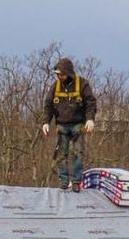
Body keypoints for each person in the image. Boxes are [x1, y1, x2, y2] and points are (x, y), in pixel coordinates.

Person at [42, 57, 98, 191]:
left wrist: (90, 119)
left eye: (61, 74)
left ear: (68, 73)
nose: (59, 77)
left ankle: (77, 181)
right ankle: (63, 180)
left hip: (78, 125)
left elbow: (91, 102)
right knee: (61, 154)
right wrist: (46, 122)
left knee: (78, 153)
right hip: (61, 125)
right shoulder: (55, 87)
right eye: (58, 75)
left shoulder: (82, 84)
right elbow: (48, 105)